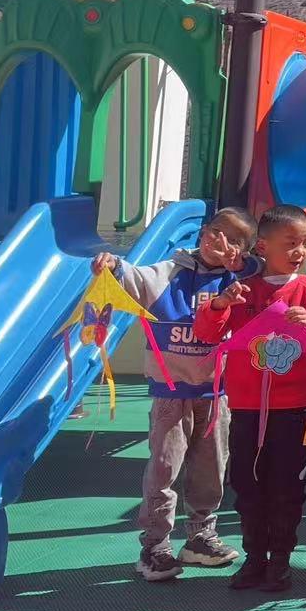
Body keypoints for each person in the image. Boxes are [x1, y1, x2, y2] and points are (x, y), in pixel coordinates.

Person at [92, 206, 259, 582]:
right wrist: (111, 264)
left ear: (244, 252)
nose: (222, 242)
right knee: (164, 469)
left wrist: (240, 264)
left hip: (214, 395)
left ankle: (200, 537)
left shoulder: (237, 281)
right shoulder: (167, 273)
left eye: (235, 240)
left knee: (211, 469)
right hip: (171, 394)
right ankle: (155, 546)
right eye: (217, 231)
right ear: (203, 232)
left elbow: (261, 271)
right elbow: (131, 277)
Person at [193, 204, 306, 593]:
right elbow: (208, 332)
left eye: (305, 243)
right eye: (290, 243)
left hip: (294, 409)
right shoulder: (244, 288)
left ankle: (280, 561)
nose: (299, 251)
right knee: (248, 484)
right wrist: (220, 304)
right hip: (247, 408)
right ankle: (255, 558)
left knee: (287, 487)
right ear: (262, 247)